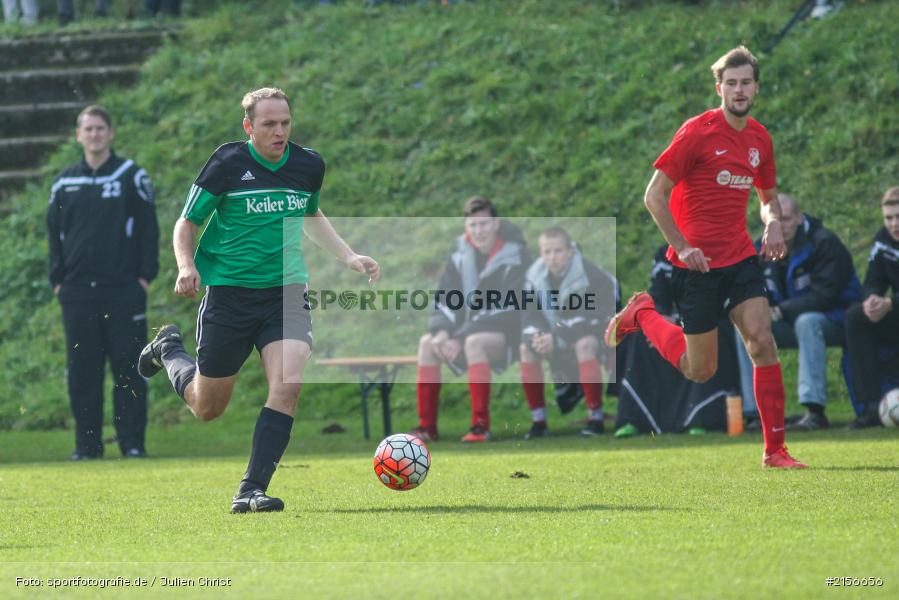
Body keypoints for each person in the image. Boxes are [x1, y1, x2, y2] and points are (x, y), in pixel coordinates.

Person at [137, 88, 380, 513]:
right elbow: (187, 222)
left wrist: (349, 256)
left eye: (285, 123)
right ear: (249, 126)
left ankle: (251, 490)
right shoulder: (228, 163)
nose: (279, 132)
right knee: (207, 407)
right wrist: (186, 266)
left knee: (288, 385)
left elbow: (310, 213)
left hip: (285, 292)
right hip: (229, 295)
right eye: (269, 124)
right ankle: (168, 349)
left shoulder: (308, 165)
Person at [605, 46, 808, 468]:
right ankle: (642, 313)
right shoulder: (697, 132)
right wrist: (682, 246)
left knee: (762, 341)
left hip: (739, 258)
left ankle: (775, 450)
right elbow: (653, 196)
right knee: (699, 370)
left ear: (756, 88)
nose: (739, 90)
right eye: (731, 83)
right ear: (719, 89)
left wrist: (772, 222)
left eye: (746, 82)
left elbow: (767, 198)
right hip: (695, 266)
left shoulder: (760, 139)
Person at [47, 105, 159, 460]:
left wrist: (144, 278)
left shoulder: (131, 176)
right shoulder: (64, 183)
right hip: (77, 293)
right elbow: (54, 235)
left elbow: (149, 230)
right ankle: (87, 447)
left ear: (110, 133)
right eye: (88, 129)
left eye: (100, 128)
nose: (94, 134)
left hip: (123, 291)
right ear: (78, 135)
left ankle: (132, 444)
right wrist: (58, 280)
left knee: (129, 367)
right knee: (83, 371)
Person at [735, 194, 861, 431]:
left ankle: (815, 412)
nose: (780, 226)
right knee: (746, 326)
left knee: (807, 322)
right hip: (788, 320)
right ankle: (756, 413)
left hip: (837, 318)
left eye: (786, 219)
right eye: (773, 221)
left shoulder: (824, 243)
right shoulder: (760, 249)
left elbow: (826, 297)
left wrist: (780, 311)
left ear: (800, 218)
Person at [411, 196, 528, 443]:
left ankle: (480, 426)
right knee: (427, 343)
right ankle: (426, 428)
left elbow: (506, 309)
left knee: (474, 342)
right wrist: (442, 332)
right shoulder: (459, 256)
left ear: (496, 224)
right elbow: (445, 299)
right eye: (472, 225)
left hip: (508, 336)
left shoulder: (516, 256)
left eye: (483, 224)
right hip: (464, 334)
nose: (478, 231)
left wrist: (460, 336)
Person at [519, 226, 618, 439]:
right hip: (557, 337)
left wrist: (556, 337)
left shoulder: (591, 274)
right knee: (526, 349)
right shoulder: (533, 276)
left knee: (585, 344)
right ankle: (538, 422)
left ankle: (596, 418)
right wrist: (536, 337)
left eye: (558, 251)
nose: (552, 257)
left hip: (597, 335)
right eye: (547, 252)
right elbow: (529, 316)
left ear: (570, 251)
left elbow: (593, 317)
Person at [844, 186, 899, 428]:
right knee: (856, 317)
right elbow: (872, 281)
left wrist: (891, 303)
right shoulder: (883, 240)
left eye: (898, 217)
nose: (894, 224)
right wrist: (872, 300)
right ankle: (869, 408)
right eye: (889, 218)